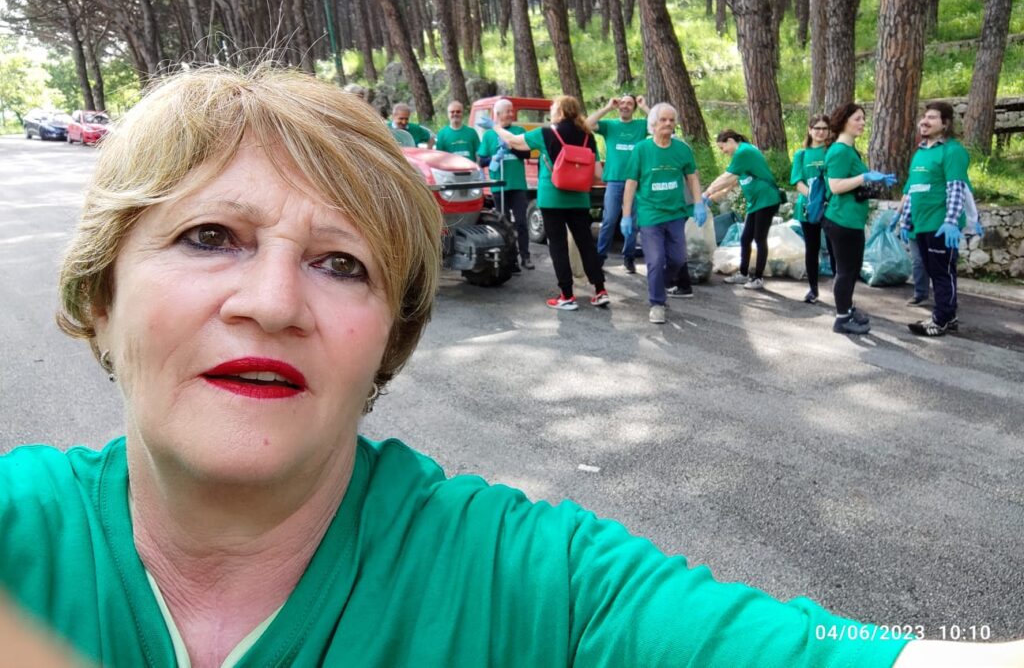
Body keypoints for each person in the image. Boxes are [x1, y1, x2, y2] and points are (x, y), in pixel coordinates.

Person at [3, 67, 1022, 668]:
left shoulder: (534, 585)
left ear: (388, 340)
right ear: (100, 291)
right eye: (209, 236)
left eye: (340, 263)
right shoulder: (22, 538)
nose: (272, 301)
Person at [493, 95, 609, 310]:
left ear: (560, 112)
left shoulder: (546, 133)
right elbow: (597, 173)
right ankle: (600, 290)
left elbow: (514, 142)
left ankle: (566, 296)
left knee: (558, 246)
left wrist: (497, 128)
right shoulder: (587, 136)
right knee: (586, 244)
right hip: (579, 199)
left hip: (552, 198)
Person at [621, 103, 707, 324]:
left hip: (676, 214)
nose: (668, 124)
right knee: (656, 260)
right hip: (650, 215)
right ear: (653, 124)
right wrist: (626, 214)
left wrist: (698, 203)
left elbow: (692, 177)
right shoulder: (642, 149)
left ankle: (662, 284)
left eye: (671, 120)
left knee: (678, 260)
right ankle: (657, 303)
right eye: (663, 120)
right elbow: (631, 183)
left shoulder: (682, 149)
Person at [897, 102, 972, 337]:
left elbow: (956, 189)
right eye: (924, 117)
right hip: (921, 224)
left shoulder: (953, 151)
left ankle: (940, 319)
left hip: (940, 225)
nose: (925, 121)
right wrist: (904, 220)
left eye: (932, 118)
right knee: (934, 270)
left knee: (942, 273)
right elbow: (913, 190)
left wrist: (950, 221)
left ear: (945, 124)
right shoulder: (921, 153)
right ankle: (948, 316)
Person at [821, 103, 897, 335]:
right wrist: (865, 176)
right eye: (858, 118)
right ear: (844, 121)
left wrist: (875, 181)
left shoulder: (849, 150)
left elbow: (852, 184)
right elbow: (835, 186)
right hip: (842, 220)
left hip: (850, 219)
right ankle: (842, 319)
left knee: (851, 270)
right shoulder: (840, 151)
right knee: (846, 271)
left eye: (863, 118)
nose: (863, 123)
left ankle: (847, 308)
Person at [701, 130, 781, 291]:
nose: (723, 153)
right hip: (756, 203)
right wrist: (710, 200)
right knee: (745, 238)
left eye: (723, 148)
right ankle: (744, 273)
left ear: (730, 141)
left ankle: (758, 278)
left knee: (759, 238)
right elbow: (728, 186)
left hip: (767, 199)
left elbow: (725, 178)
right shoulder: (742, 158)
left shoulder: (744, 152)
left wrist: (706, 192)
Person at [585, 93, 650, 273]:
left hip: (636, 181)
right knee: (609, 220)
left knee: (633, 222)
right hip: (614, 180)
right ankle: (600, 257)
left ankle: (629, 258)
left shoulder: (640, 125)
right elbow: (588, 124)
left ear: (633, 108)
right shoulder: (610, 126)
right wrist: (607, 107)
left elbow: (659, 125)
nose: (625, 106)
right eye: (622, 103)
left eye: (629, 103)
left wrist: (644, 106)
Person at [477, 98, 534, 271]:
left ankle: (525, 256)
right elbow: (481, 160)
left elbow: (527, 155)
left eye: (512, 110)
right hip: (499, 185)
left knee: (522, 223)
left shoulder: (519, 131)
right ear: (498, 114)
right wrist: (493, 158)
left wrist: (512, 147)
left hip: (517, 185)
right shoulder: (488, 135)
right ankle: (511, 259)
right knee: (504, 224)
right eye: (508, 111)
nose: (511, 114)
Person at [790, 114, 836, 304]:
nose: (820, 132)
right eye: (816, 128)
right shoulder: (801, 154)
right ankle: (813, 290)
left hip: (831, 207)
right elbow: (797, 181)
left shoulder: (832, 151)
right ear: (809, 130)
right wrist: (814, 197)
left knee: (835, 249)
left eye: (824, 128)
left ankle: (840, 291)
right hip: (808, 208)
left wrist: (825, 198)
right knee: (812, 248)